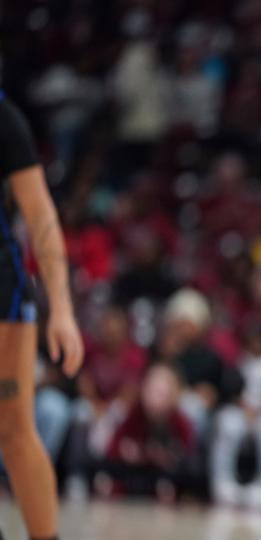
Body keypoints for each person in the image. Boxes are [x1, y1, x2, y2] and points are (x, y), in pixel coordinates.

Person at [0, 91, 84, 539]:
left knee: (13, 429)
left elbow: (40, 214)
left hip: (2, 292)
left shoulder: (3, 116)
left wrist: (62, 311)